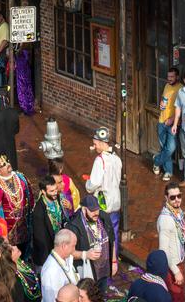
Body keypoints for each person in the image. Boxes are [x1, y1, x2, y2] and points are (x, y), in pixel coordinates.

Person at [83, 127, 122, 262]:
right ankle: (114, 259)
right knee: (115, 233)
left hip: (104, 204)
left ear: (101, 142)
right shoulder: (116, 158)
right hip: (116, 202)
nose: (94, 146)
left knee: (103, 235)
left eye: (95, 143)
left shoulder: (100, 161)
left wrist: (87, 183)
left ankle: (106, 262)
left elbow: (93, 184)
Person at [65, 193, 110, 282]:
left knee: (102, 294)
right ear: (83, 209)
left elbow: (111, 240)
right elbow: (67, 253)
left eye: (97, 209)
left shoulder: (103, 217)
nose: (96, 213)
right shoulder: (73, 226)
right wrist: (85, 254)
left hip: (104, 271)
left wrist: (114, 262)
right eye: (92, 210)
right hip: (88, 275)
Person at [38, 230, 81, 302]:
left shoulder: (66, 258)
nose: (74, 249)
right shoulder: (51, 271)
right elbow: (51, 299)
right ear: (64, 246)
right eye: (73, 246)